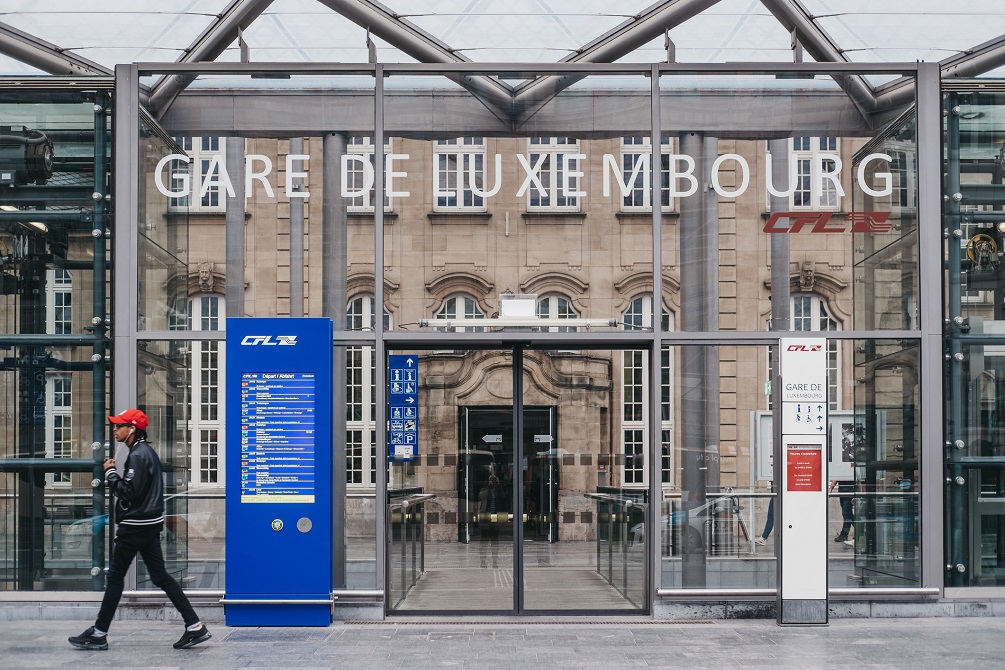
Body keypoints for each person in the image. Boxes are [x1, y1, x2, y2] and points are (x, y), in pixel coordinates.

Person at [69, 409, 211, 651]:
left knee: (115, 578)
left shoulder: (137, 455)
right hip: (148, 525)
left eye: (119, 426)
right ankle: (195, 626)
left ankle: (99, 633)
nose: (115, 429)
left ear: (132, 429)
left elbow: (129, 492)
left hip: (135, 527)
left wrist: (110, 472)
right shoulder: (147, 452)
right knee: (160, 576)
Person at [830, 479, 855, 546]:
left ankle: (844, 534)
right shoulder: (841, 470)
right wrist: (830, 488)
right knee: (847, 514)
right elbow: (836, 478)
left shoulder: (851, 470)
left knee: (846, 514)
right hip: (842, 492)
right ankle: (862, 529)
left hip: (850, 492)